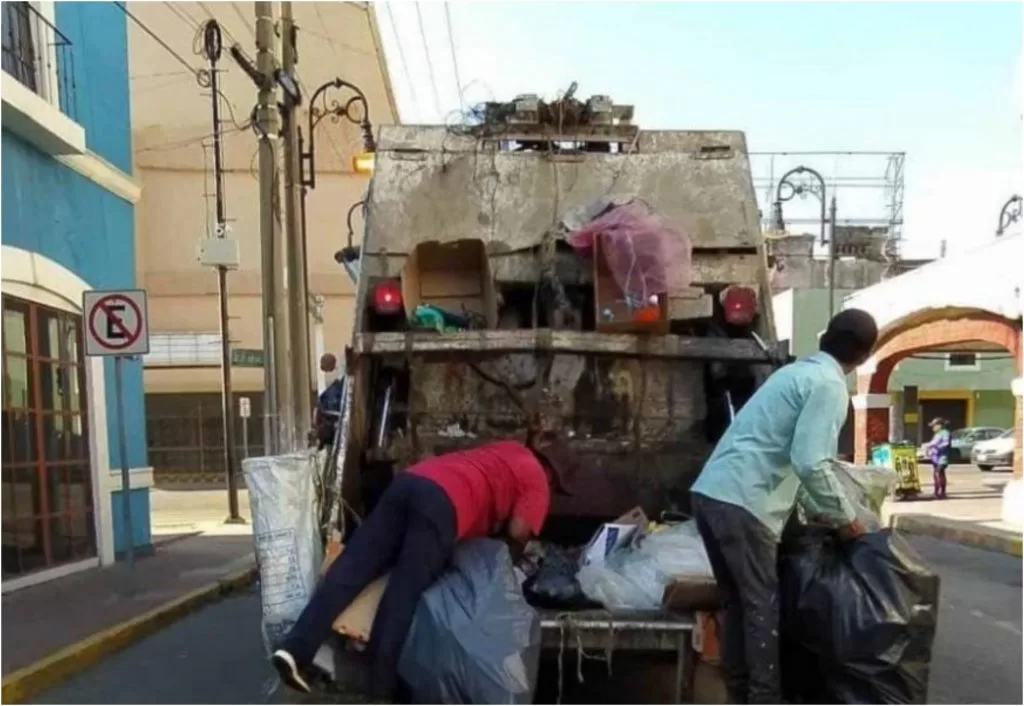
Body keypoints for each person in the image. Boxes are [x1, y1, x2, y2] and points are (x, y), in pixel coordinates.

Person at [271, 436, 577, 698]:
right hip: (442, 506)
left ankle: (296, 648)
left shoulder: (507, 450)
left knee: (351, 569)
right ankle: (379, 690)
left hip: (410, 482)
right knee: (404, 592)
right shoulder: (537, 479)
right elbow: (518, 531)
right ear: (552, 474)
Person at [689, 308, 879, 705]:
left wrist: (818, 508)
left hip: (711, 494)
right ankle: (763, 699)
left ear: (825, 337)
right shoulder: (828, 384)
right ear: (863, 356)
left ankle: (739, 695)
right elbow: (811, 461)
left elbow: (791, 457)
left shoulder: (793, 374)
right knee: (762, 607)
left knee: (738, 604)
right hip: (745, 502)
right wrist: (848, 520)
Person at [924, 417, 951, 499]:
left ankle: (941, 493)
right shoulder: (937, 434)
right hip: (935, 458)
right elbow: (932, 443)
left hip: (942, 457)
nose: (933, 428)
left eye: (934, 426)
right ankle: (936, 492)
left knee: (939, 474)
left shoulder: (945, 433)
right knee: (936, 474)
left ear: (939, 425)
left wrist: (936, 447)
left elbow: (946, 444)